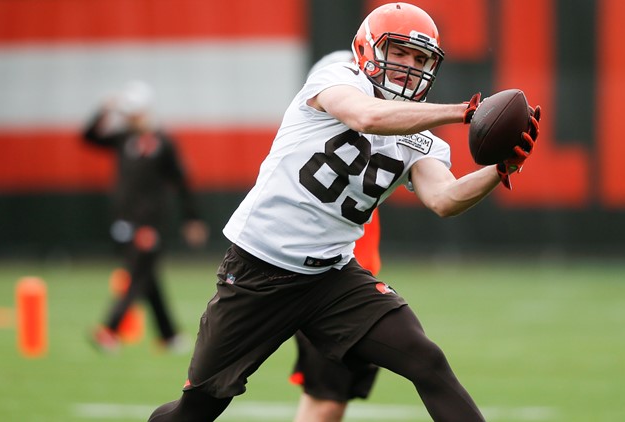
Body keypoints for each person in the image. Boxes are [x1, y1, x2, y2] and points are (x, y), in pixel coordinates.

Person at [149, 3, 540, 421]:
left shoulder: (421, 136)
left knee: (426, 360)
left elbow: (445, 198)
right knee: (196, 410)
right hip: (259, 270)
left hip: (330, 278)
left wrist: (501, 170)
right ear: (367, 50)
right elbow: (366, 116)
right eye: (401, 52)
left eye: (421, 59)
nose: (411, 66)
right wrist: (462, 112)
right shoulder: (336, 79)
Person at [289, 50, 383, 422]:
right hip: (331, 289)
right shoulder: (327, 147)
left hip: (347, 285)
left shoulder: (360, 146)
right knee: (326, 401)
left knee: (328, 399)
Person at [83, 80, 209, 353]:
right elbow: (88, 137)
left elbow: (181, 181)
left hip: (150, 223)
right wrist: (104, 109)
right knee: (147, 278)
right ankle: (169, 336)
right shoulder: (123, 138)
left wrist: (192, 218)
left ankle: (109, 330)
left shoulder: (162, 142)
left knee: (138, 276)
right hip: (124, 222)